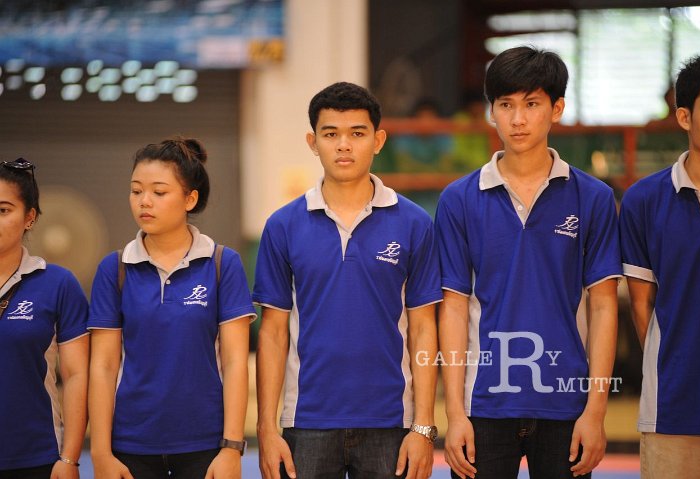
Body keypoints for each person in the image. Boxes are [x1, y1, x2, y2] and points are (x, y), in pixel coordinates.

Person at [435, 46, 621, 479]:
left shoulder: (592, 198)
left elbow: (603, 305)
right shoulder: (458, 199)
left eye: (532, 104)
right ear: (491, 112)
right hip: (484, 403)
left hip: (567, 402)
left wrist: (596, 412)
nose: (518, 119)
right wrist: (455, 413)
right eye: (506, 105)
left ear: (557, 109)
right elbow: (454, 307)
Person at [254, 81, 442, 479]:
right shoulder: (282, 226)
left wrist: (423, 427)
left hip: (391, 420)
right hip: (306, 420)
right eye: (330, 134)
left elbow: (424, 328)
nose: (343, 145)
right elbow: (272, 333)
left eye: (357, 133)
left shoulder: (415, 223)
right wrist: (267, 429)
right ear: (312, 142)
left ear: (378, 140)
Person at [88, 138, 256, 478]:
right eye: (136, 191)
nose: (144, 201)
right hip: (131, 445)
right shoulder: (115, 268)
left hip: (205, 444)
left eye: (159, 192)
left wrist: (231, 447)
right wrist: (100, 452)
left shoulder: (222, 263)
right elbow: (103, 366)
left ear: (189, 199)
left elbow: (235, 362)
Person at [619, 52, 700, 479]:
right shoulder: (644, 200)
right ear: (684, 117)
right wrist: (676, 363)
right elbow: (641, 306)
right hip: (674, 407)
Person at [0, 158, 89, 479]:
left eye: (3, 210)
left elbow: (77, 375)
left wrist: (70, 459)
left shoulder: (58, 284)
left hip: (36, 458)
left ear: (30, 217)